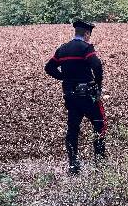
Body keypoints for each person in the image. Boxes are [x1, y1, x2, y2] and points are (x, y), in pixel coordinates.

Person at [44, 20, 106, 174]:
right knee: (99, 125)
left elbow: (49, 67)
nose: (89, 38)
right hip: (88, 96)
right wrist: (98, 84)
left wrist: (64, 77)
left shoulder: (62, 49)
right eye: (89, 35)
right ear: (86, 34)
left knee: (72, 130)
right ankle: (100, 162)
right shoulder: (86, 48)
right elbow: (97, 65)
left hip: (70, 97)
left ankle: (73, 164)